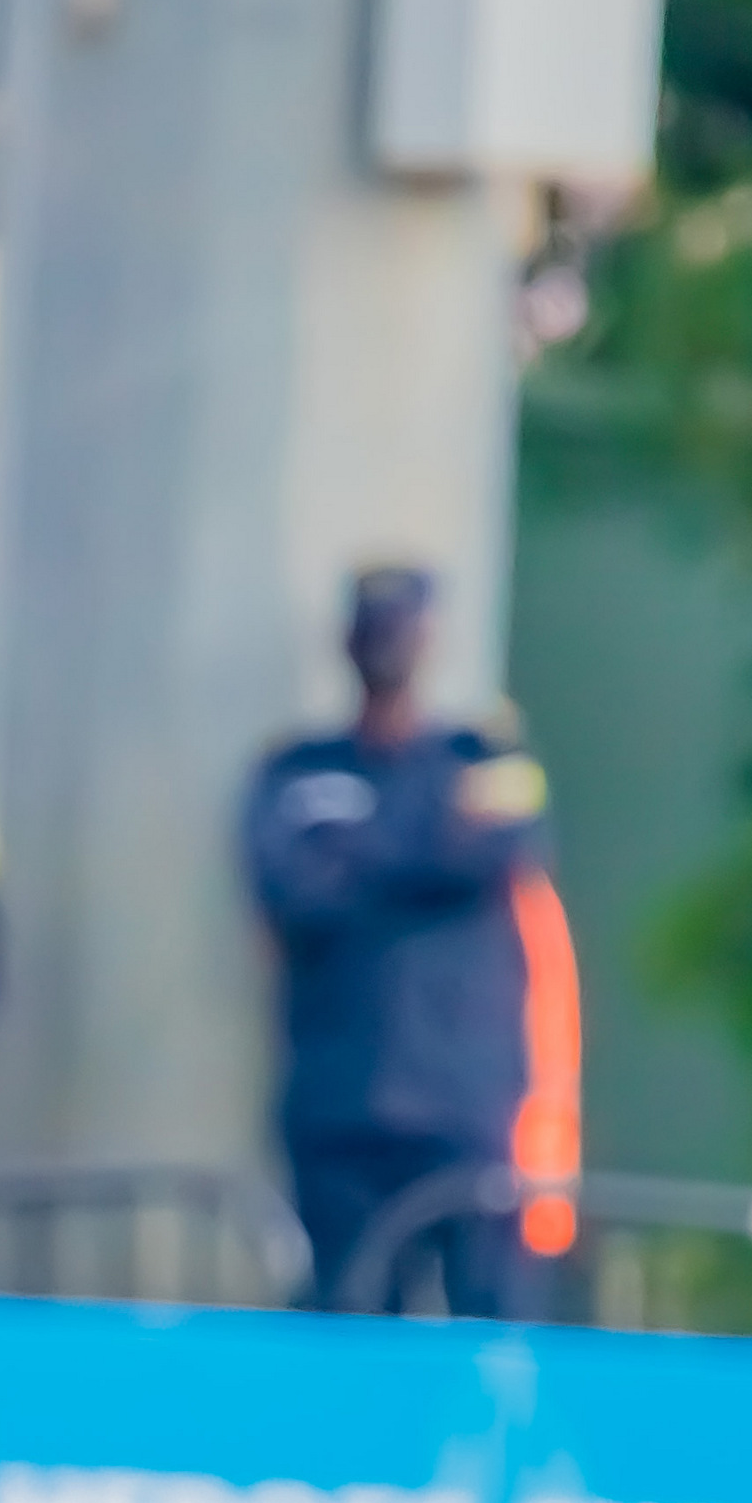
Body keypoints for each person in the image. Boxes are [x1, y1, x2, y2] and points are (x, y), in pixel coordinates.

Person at [245, 565, 577, 1318]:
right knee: (348, 1339)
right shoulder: (296, 772)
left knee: (487, 1335)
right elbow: (292, 892)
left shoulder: (486, 757)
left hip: (468, 1112)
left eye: (401, 627)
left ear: (431, 638)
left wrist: (356, 854)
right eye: (374, 627)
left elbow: (503, 850)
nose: (386, 645)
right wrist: (434, 841)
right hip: (340, 1112)